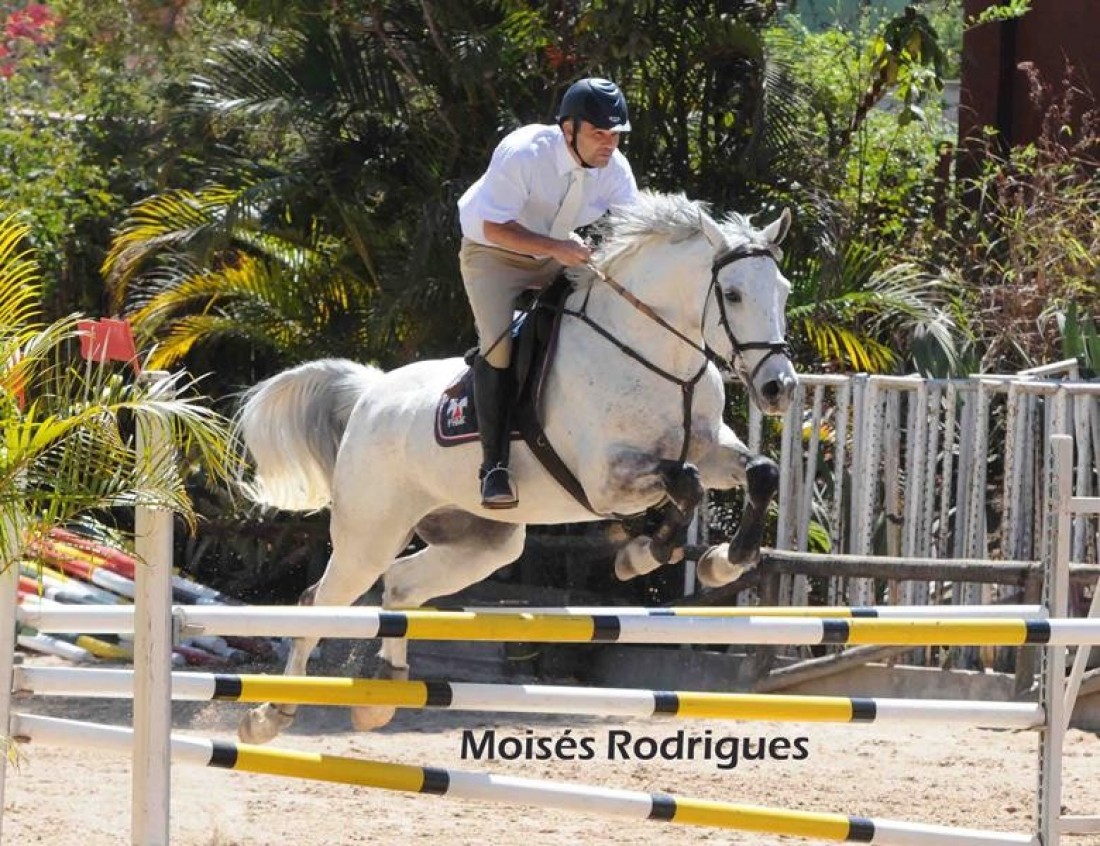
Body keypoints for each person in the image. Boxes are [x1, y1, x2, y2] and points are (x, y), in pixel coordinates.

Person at [457, 77, 639, 509]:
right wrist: (557, 248)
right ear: (568, 128)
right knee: (498, 348)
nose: (609, 144)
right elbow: (493, 227)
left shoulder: (615, 168)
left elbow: (633, 230)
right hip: (493, 254)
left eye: (615, 134)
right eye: (599, 133)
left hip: (558, 251)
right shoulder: (524, 152)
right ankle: (494, 468)